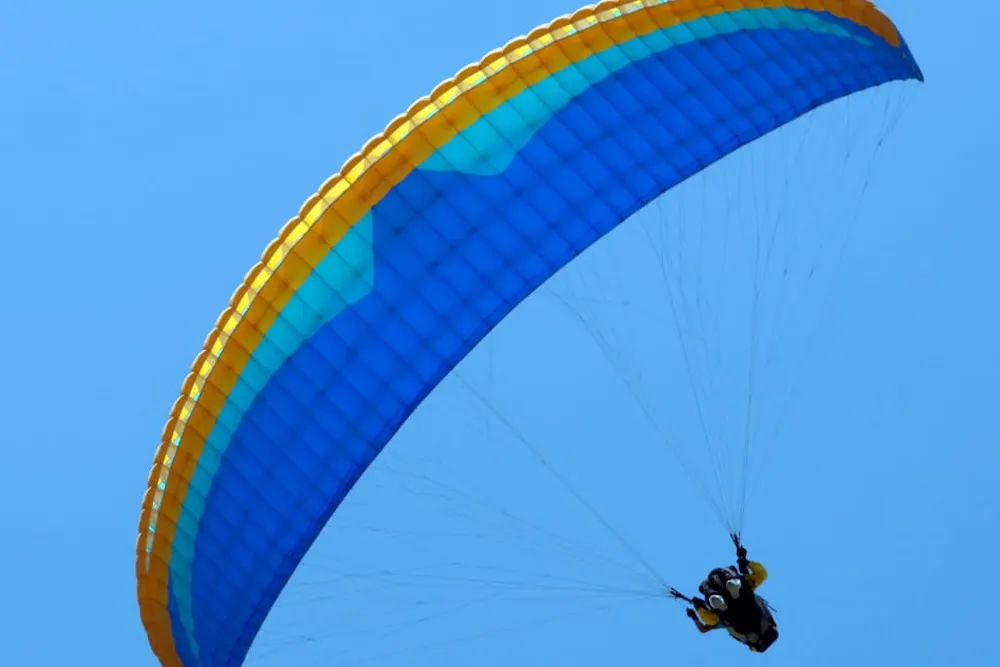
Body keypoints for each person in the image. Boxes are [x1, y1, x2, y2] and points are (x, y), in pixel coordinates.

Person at [672, 533, 778, 653]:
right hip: (735, 609)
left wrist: (744, 562)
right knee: (711, 619)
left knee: (758, 578)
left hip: (742, 598)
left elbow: (761, 574)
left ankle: (731, 593)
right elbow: (703, 628)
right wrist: (695, 613)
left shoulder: (727, 622)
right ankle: (722, 601)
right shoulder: (723, 624)